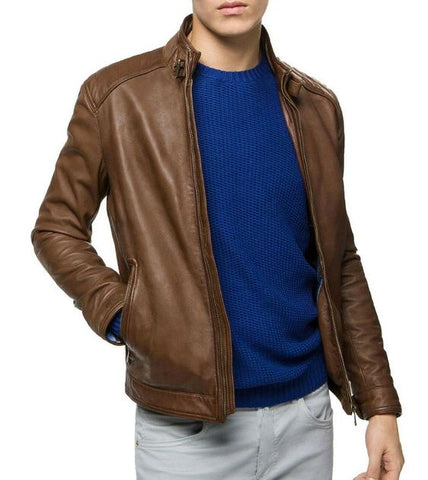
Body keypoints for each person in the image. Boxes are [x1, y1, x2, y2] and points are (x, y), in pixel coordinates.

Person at [30, 1, 405, 479]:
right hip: (187, 433)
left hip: (307, 421)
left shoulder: (314, 106)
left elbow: (340, 261)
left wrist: (379, 405)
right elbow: (56, 227)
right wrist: (129, 316)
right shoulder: (118, 97)